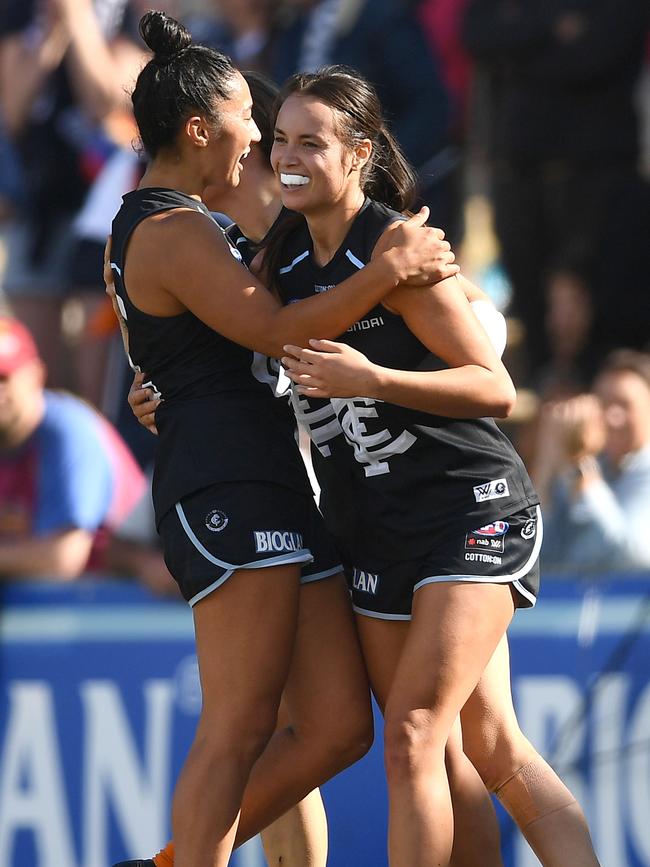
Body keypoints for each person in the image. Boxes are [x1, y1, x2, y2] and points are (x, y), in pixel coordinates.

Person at [107, 12, 456, 867]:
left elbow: (203, 343)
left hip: (272, 478)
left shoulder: (190, 223)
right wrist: (385, 273)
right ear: (199, 129)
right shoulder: (169, 227)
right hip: (223, 487)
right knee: (240, 724)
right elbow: (281, 330)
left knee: (335, 726)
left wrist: (164, 385)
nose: (258, 139)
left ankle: (172, 858)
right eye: (246, 124)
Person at [271, 67, 599, 866]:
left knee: (415, 733)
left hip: (470, 507)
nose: (288, 156)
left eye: (310, 142)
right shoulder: (278, 262)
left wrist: (374, 379)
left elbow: (495, 386)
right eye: (279, 139)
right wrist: (159, 389)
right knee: (478, 746)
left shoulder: (398, 249)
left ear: (358, 154)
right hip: (377, 530)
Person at [0, 315, 145, 578]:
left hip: (121, 606)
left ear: (36, 375)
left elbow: (61, 559)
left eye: (4, 378)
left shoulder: (69, 430)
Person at [535, 349, 650, 572]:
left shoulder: (588, 469)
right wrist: (548, 460)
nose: (612, 417)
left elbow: (633, 558)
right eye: (603, 404)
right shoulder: (588, 467)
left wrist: (582, 467)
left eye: (624, 405)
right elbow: (538, 555)